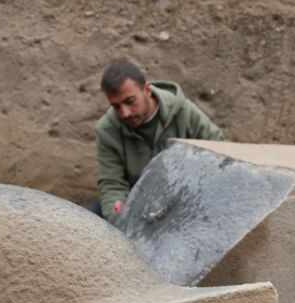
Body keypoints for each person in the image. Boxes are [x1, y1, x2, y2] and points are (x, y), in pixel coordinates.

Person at [93, 59, 223, 219]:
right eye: (116, 106)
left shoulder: (184, 112)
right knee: (90, 221)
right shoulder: (107, 130)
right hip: (136, 207)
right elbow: (112, 183)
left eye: (130, 101)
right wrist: (117, 213)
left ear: (147, 90)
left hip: (184, 200)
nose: (124, 113)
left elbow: (220, 151)